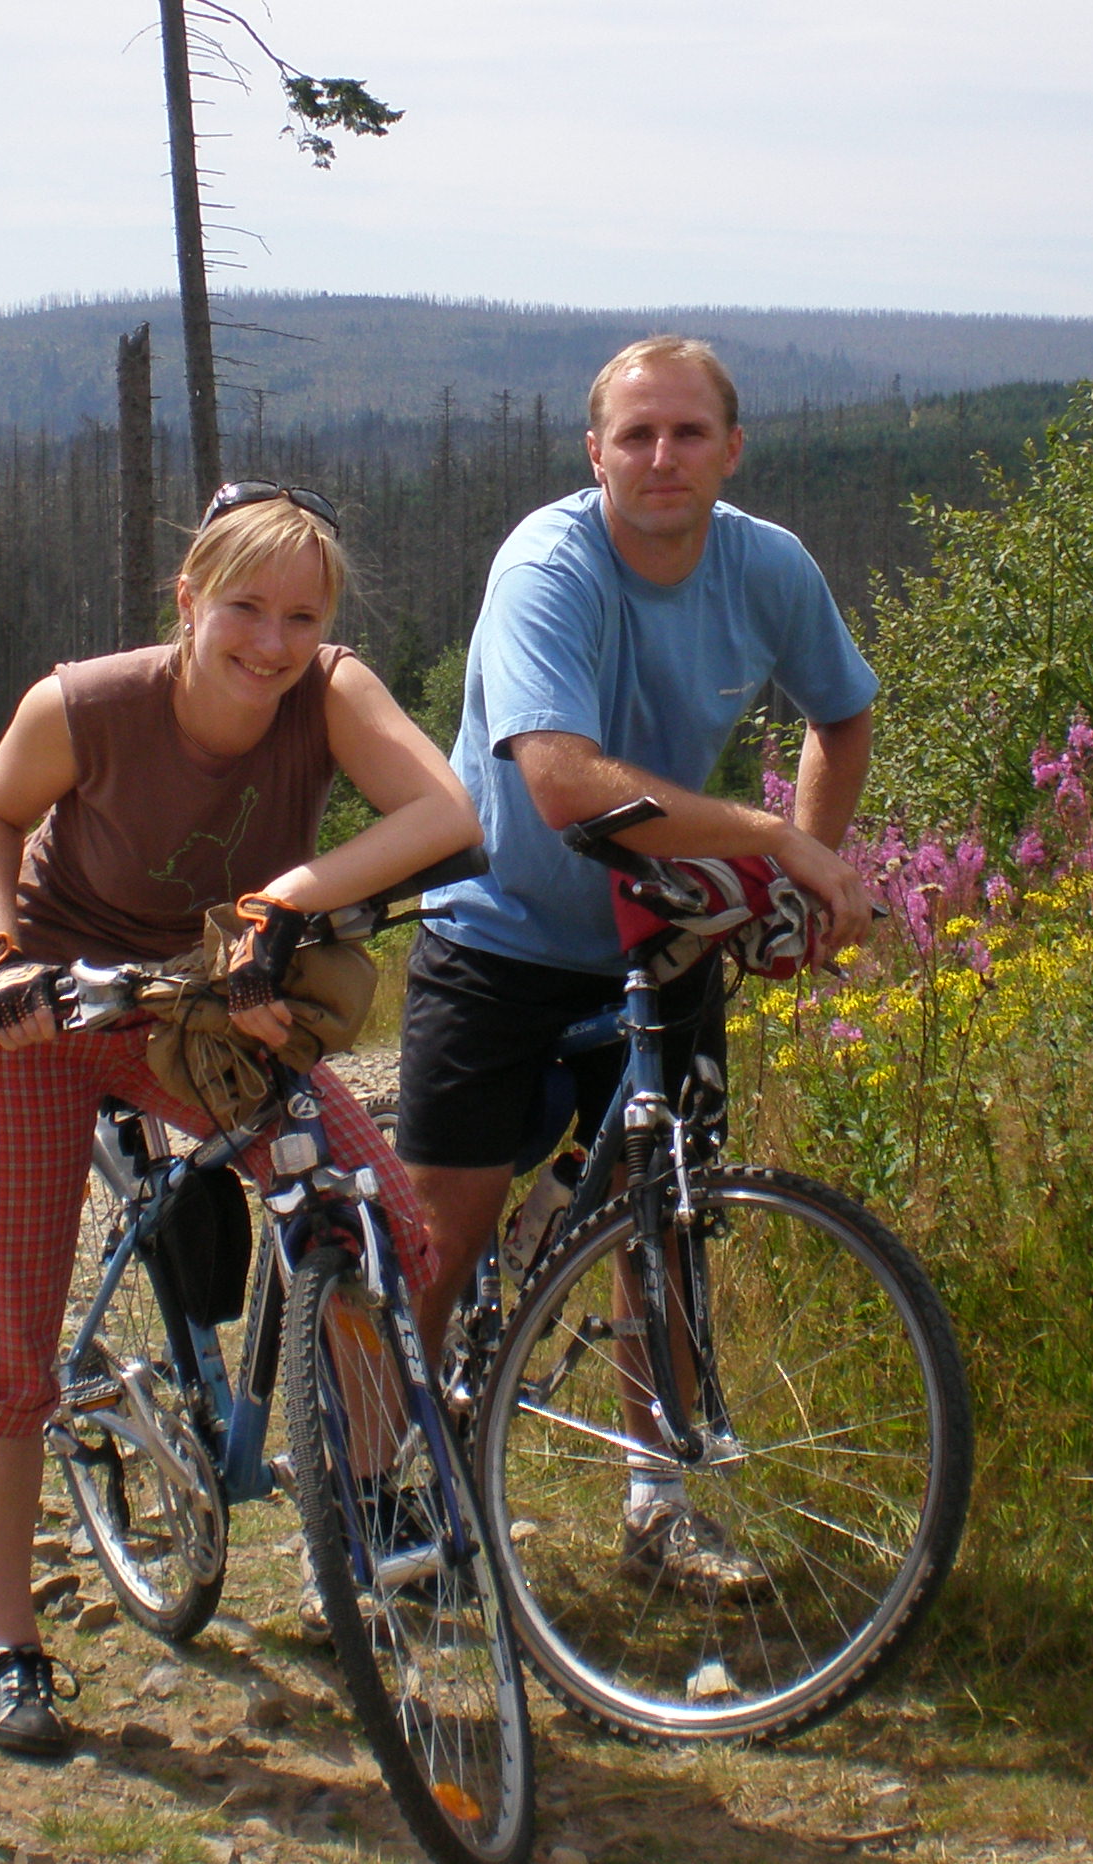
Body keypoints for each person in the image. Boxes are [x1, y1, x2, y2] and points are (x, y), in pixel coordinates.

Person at [0, 481, 478, 1756]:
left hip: (205, 1003)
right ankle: (10, 1649)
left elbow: (446, 811)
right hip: (48, 1007)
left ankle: (355, 1500)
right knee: (4, 1341)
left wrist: (283, 900)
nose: (271, 644)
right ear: (187, 599)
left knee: (393, 1229)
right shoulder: (90, 703)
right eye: (244, 607)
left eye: (301, 615)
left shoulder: (329, 693)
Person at [397, 335, 879, 1589]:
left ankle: (661, 1507)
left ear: (732, 446)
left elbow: (844, 712)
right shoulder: (547, 566)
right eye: (635, 435)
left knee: (663, 1223)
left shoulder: (767, 566)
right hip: (494, 932)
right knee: (442, 1235)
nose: (661, 457)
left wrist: (799, 871)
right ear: (596, 452)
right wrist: (774, 841)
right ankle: (386, 1483)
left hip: (659, 940)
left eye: (687, 433)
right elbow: (556, 782)